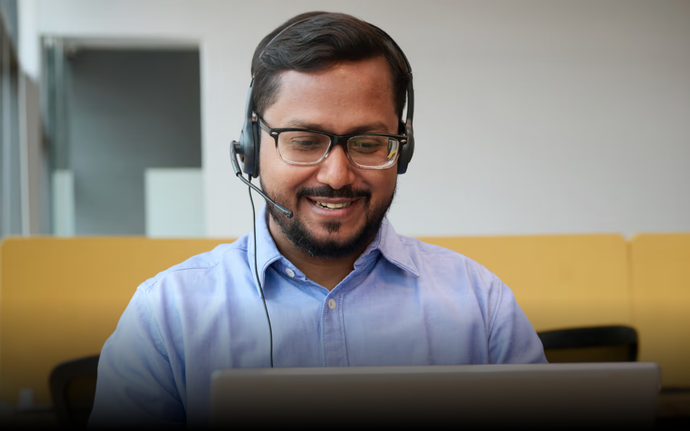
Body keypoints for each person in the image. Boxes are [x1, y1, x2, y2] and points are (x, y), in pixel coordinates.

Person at [89, 11, 546, 428]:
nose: (337, 175)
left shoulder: (481, 309)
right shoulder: (166, 316)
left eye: (368, 142)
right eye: (305, 140)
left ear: (401, 150)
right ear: (251, 147)